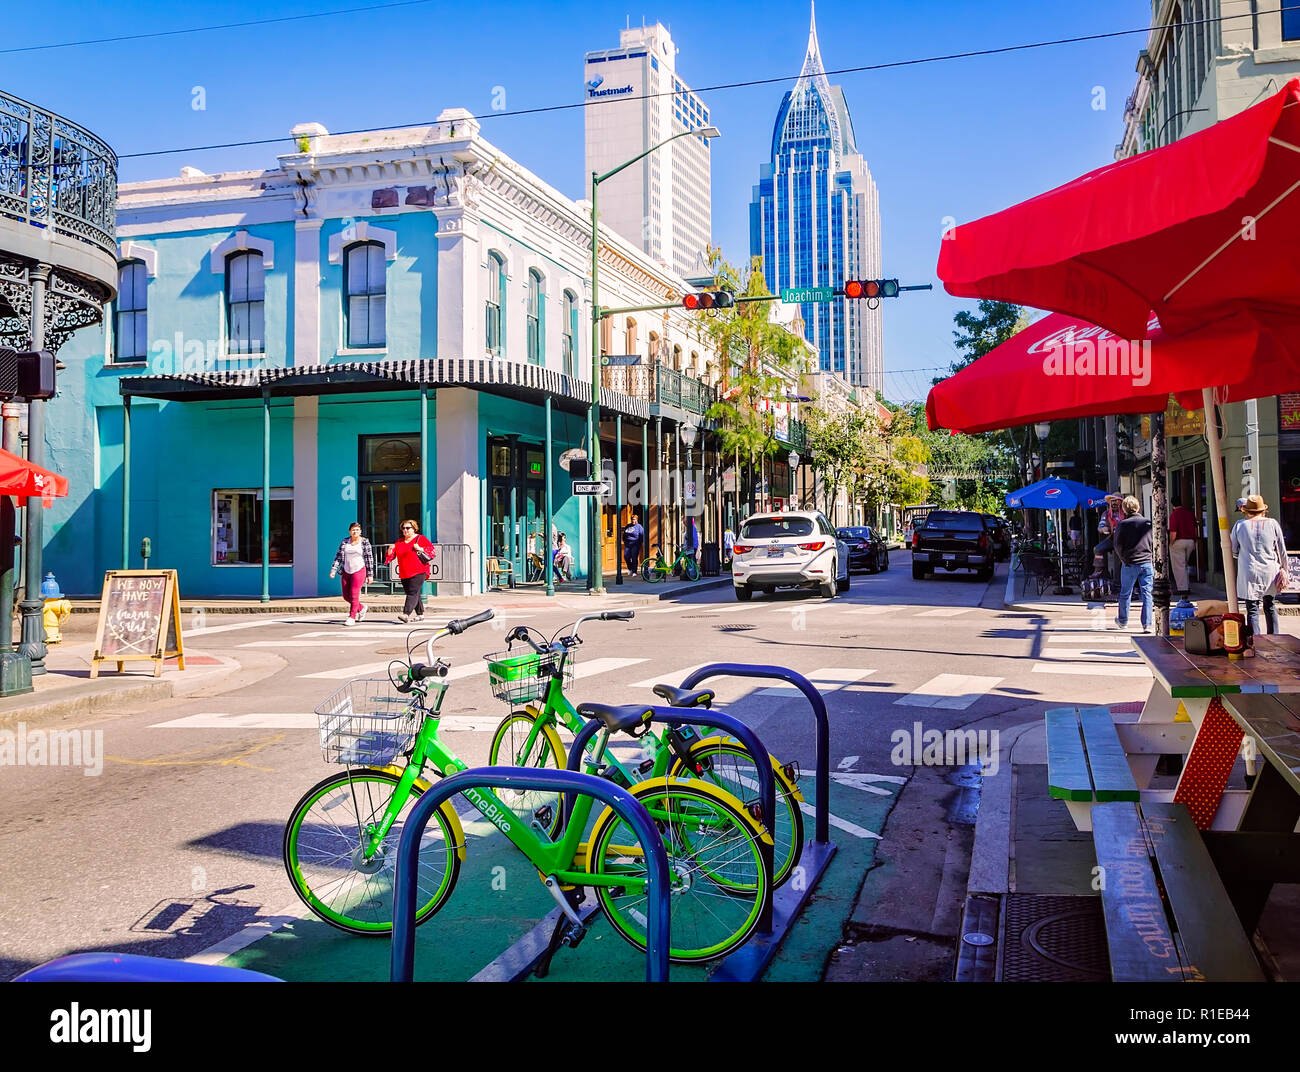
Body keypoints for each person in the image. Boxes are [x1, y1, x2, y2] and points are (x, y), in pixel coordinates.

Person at [1231, 494, 1288, 635]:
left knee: (1252, 609)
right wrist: (1285, 569)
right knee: (1270, 606)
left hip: (1249, 570)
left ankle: (1255, 642)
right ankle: (1275, 639)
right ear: (1263, 510)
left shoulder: (1239, 525)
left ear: (1246, 510)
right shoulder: (1273, 523)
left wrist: (1240, 554)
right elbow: (1281, 550)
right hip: (1270, 570)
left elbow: (1233, 548)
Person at [1112, 495, 1153, 632]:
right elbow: (1154, 541)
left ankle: (1123, 621)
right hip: (1146, 561)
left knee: (1126, 592)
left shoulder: (1122, 525)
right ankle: (1147, 624)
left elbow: (1117, 545)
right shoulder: (1148, 523)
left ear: (1124, 509)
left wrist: (1123, 558)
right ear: (1138, 507)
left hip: (1130, 562)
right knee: (1147, 593)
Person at [384, 519, 435, 622]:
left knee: (412, 592)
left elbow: (431, 551)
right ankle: (420, 614)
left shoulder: (420, 538)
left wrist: (420, 548)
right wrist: (390, 550)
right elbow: (391, 556)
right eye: (403, 528)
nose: (405, 530)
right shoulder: (399, 542)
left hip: (419, 570)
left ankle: (406, 614)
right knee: (414, 593)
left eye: (408, 528)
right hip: (404, 572)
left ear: (414, 529)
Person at [328, 522, 374, 625]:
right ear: (350, 531)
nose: (355, 532)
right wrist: (333, 570)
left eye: (357, 530)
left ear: (360, 531)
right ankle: (361, 608)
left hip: (359, 570)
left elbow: (369, 558)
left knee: (354, 594)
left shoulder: (365, 542)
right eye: (353, 530)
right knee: (346, 596)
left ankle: (351, 617)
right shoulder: (345, 542)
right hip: (346, 570)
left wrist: (370, 575)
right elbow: (338, 556)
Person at [1168, 495, 1198, 597]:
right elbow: (1195, 528)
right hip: (1190, 541)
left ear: (1173, 505)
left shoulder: (1174, 515)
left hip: (1178, 541)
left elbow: (1173, 532)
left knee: (1178, 566)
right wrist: (1195, 540)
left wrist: (1171, 543)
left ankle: (1182, 588)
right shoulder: (1190, 513)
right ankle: (1186, 586)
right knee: (1184, 564)